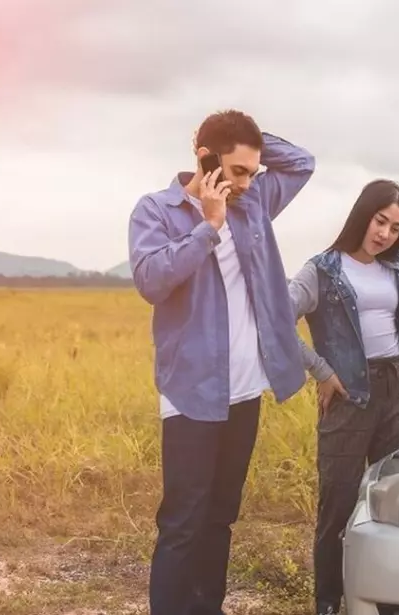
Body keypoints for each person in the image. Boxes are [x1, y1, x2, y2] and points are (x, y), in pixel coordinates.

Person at [127, 109, 315, 615]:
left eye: (253, 173)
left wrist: (246, 144)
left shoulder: (252, 205)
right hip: (190, 390)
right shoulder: (157, 210)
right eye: (237, 172)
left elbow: (301, 163)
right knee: (183, 519)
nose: (248, 184)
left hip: (245, 390)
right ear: (205, 161)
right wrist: (208, 225)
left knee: (220, 517)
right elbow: (151, 281)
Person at [287, 178, 399, 615]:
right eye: (379, 219)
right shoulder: (322, 269)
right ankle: (330, 602)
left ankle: (390, 600)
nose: (384, 233)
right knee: (339, 504)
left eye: (395, 227)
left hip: (396, 388)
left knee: (395, 499)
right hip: (349, 393)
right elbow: (275, 321)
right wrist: (322, 372)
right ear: (362, 214)